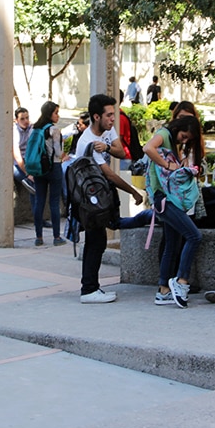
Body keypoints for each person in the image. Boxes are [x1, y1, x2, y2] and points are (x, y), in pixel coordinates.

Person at [75, 93, 143, 303]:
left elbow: (122, 153)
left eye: (113, 114)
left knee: (99, 240)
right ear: (96, 117)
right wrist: (133, 191)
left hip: (102, 193)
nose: (113, 119)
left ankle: (92, 287)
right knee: (95, 241)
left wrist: (107, 147)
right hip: (90, 197)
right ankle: (88, 290)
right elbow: (110, 174)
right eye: (109, 115)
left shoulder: (106, 130)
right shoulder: (87, 141)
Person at [144, 115, 203, 308]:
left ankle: (163, 291)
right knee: (194, 236)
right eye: (184, 136)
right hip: (165, 200)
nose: (184, 141)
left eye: (188, 139)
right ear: (179, 127)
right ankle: (181, 281)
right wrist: (169, 165)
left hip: (166, 199)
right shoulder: (164, 134)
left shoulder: (172, 140)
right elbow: (147, 148)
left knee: (172, 243)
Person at [32, 101, 66, 246]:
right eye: (56, 112)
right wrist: (65, 155)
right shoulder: (54, 130)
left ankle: (38, 237)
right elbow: (58, 152)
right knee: (54, 202)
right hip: (54, 168)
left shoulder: (36, 128)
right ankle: (57, 237)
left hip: (39, 168)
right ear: (49, 114)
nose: (58, 116)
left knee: (39, 201)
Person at [12, 107, 37, 195]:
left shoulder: (31, 128)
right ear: (16, 120)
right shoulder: (14, 131)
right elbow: (17, 154)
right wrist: (27, 173)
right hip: (15, 163)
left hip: (28, 160)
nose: (26, 121)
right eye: (22, 119)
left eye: (27, 118)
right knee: (31, 183)